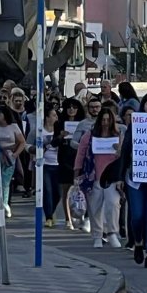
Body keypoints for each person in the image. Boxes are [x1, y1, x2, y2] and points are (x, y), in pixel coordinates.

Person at [120, 92, 147, 269]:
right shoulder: (134, 126)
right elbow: (125, 151)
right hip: (135, 178)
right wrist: (120, 176)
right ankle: (138, 241)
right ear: (142, 107)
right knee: (137, 215)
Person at [74, 107, 123, 248]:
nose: (106, 123)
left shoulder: (118, 135)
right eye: (103, 120)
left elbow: (124, 156)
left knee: (113, 204)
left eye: (108, 120)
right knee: (95, 207)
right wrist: (77, 173)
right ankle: (97, 235)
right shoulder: (89, 135)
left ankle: (112, 233)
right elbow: (81, 154)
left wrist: (118, 149)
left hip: (112, 177)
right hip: (93, 175)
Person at [57, 98, 86, 229]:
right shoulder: (59, 123)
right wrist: (60, 137)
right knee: (66, 190)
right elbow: (54, 142)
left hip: (79, 158)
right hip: (64, 158)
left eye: (74, 107)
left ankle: (82, 217)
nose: (71, 109)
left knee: (83, 190)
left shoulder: (83, 124)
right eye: (69, 107)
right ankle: (68, 219)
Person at [38, 106, 63, 227]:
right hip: (45, 164)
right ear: (47, 117)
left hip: (58, 164)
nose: (56, 117)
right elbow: (29, 144)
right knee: (47, 191)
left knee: (57, 193)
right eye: (53, 115)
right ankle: (48, 216)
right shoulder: (40, 130)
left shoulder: (60, 131)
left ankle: (52, 212)